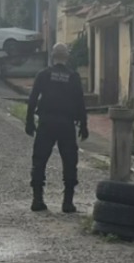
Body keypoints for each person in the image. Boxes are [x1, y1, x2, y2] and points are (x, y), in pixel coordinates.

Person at [25, 42, 89, 213]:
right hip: (66, 125)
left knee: (39, 161)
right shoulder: (73, 76)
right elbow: (80, 102)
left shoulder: (43, 75)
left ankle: (37, 200)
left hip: (46, 123)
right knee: (69, 162)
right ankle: (67, 202)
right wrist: (84, 125)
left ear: (52, 56)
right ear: (67, 57)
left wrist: (29, 121)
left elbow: (33, 99)